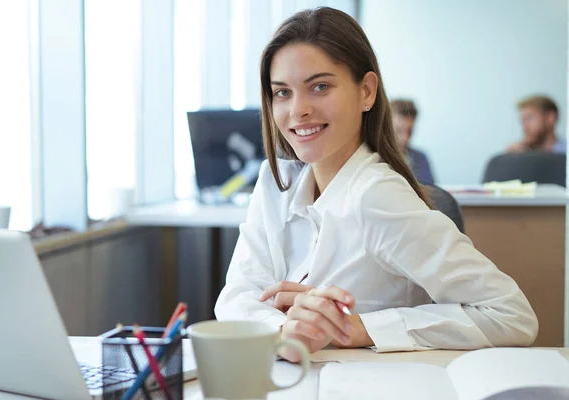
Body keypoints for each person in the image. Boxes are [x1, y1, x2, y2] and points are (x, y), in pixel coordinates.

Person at [215, 7, 538, 362]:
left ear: (366, 91)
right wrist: (283, 332)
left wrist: (356, 328)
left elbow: (511, 315)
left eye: (319, 87)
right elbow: (237, 296)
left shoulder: (377, 196)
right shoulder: (275, 182)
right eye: (282, 93)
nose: (298, 110)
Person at [390, 99, 435, 184]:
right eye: (398, 131)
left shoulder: (420, 158)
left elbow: (430, 191)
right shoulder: (374, 158)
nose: (405, 138)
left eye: (410, 131)